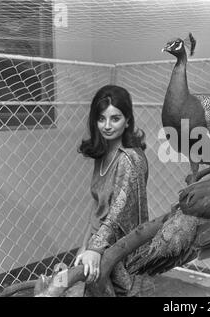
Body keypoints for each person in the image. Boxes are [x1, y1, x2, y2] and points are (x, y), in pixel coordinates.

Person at [74, 84, 153, 297]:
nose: (107, 126)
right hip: (101, 246)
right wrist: (85, 246)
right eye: (101, 119)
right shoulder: (103, 153)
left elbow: (118, 211)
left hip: (124, 254)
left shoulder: (129, 158)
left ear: (128, 120)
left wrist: (95, 248)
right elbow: (97, 208)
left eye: (115, 118)